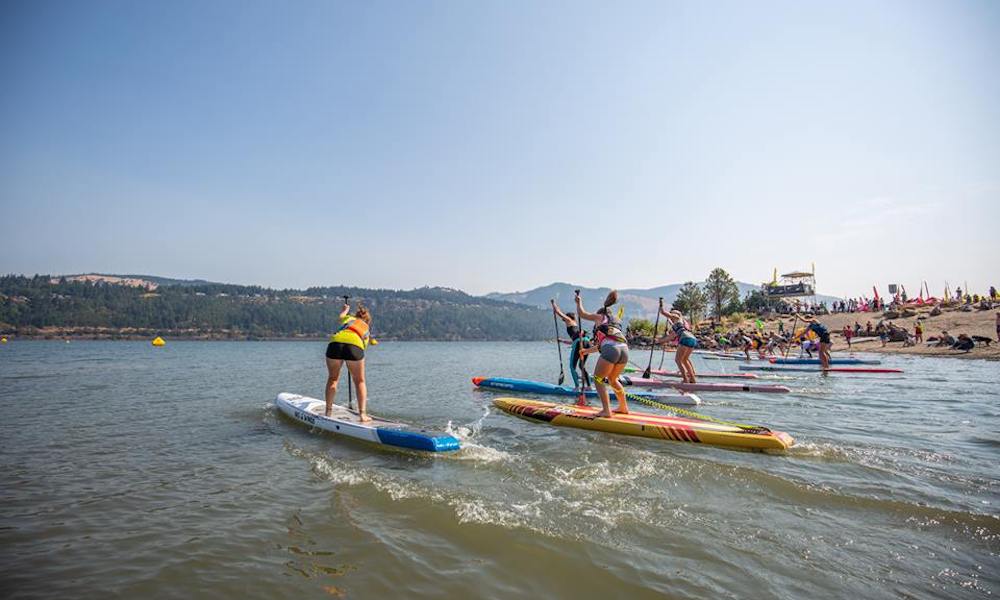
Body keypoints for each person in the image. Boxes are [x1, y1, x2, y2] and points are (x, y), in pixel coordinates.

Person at [575, 290, 629, 418]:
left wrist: (578, 302)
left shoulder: (600, 317)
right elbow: (602, 345)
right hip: (624, 350)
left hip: (611, 350)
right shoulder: (616, 321)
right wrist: (586, 351)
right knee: (612, 379)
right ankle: (623, 407)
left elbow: (582, 314)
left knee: (598, 380)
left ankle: (606, 411)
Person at [325, 302, 374, 421]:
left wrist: (345, 309)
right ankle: (362, 415)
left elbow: (340, 317)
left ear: (356, 316)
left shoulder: (348, 318)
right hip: (354, 347)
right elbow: (362, 347)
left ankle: (328, 412)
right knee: (359, 381)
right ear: (367, 320)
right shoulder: (366, 329)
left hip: (335, 344)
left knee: (333, 378)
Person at [551, 299, 591, 392]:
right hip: (586, 342)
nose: (564, 320)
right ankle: (589, 387)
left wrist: (553, 304)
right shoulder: (575, 325)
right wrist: (562, 341)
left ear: (568, 317)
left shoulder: (569, 320)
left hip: (579, 342)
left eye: (564, 318)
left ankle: (577, 387)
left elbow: (558, 312)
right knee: (581, 366)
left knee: (572, 366)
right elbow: (574, 341)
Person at [658, 304, 698, 383]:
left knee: (678, 360)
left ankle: (685, 379)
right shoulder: (678, 325)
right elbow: (670, 337)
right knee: (685, 360)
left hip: (685, 338)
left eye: (673, 314)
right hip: (692, 339)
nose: (671, 317)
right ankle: (693, 379)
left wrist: (661, 308)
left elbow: (665, 313)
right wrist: (659, 341)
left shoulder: (677, 318)